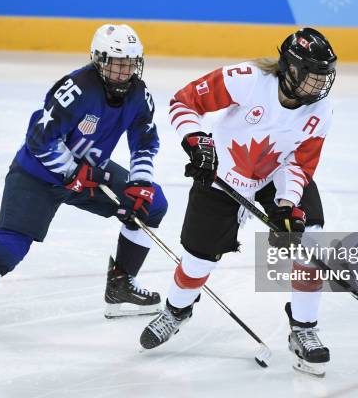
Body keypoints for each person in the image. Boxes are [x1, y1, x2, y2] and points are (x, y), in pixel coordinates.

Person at [0, 24, 168, 349]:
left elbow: (144, 141)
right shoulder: (76, 89)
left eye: (130, 63)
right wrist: (72, 172)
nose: (123, 71)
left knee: (151, 204)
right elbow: (39, 139)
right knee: (10, 245)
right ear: (99, 60)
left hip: (87, 173)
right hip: (38, 175)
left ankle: (121, 284)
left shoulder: (139, 95)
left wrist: (141, 182)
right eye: (116, 63)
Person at [139, 27, 337, 376]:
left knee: (310, 236)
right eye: (312, 76)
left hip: (275, 174)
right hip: (223, 172)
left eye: (324, 77)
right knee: (198, 260)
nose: (319, 86)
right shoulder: (247, 79)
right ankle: (177, 309)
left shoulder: (320, 110)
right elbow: (184, 101)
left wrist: (288, 204)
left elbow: (301, 163)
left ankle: (304, 327)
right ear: (290, 69)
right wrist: (196, 140)